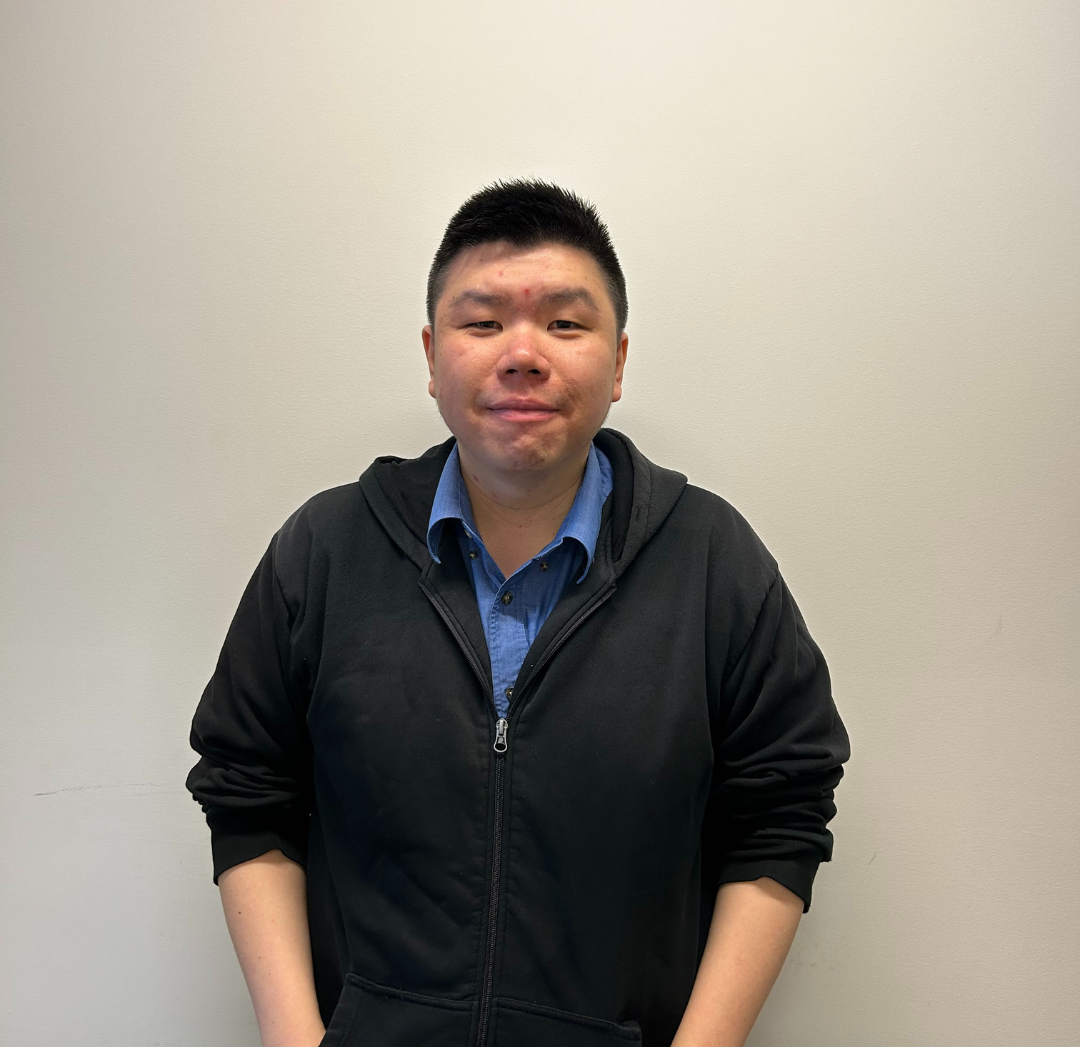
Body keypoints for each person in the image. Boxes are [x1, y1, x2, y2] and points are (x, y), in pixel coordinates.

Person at [186, 179, 850, 1047]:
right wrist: (295, 1036)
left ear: (616, 364)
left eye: (566, 324)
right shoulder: (327, 550)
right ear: (432, 357)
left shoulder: (713, 562)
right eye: (483, 321)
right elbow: (247, 791)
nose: (523, 354)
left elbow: (782, 812)